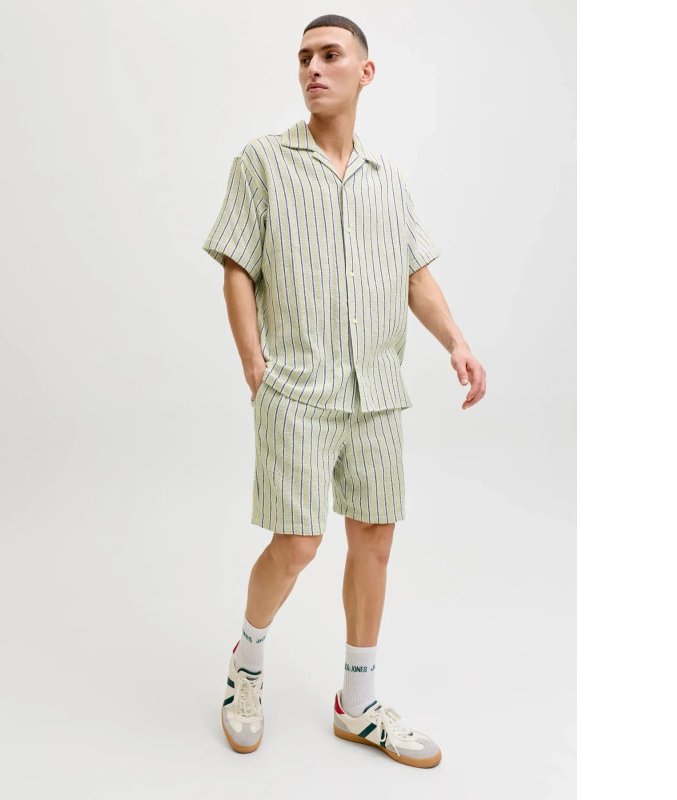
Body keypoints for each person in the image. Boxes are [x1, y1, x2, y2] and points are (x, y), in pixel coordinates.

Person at [201, 14, 486, 769]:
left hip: (377, 393)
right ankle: (246, 664)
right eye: (304, 57)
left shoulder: (388, 178)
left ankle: (358, 705)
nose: (313, 69)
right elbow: (236, 265)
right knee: (298, 543)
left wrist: (456, 341)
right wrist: (254, 364)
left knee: (374, 541)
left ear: (366, 71)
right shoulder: (262, 162)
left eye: (330, 55)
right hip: (297, 388)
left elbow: (415, 275)